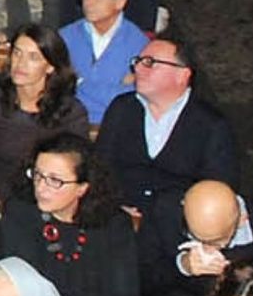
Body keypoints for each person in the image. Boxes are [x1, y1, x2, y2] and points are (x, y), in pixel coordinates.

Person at [1, 134, 139, 296]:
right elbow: (24, 291)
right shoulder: (21, 214)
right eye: (37, 175)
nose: (41, 187)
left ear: (82, 188)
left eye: (55, 180)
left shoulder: (114, 225)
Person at [96, 33, 238, 210]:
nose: (138, 69)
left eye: (149, 63)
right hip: (118, 218)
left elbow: (217, 191)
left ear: (182, 74)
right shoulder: (122, 108)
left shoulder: (210, 125)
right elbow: (100, 168)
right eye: (138, 61)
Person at [0, 25, 87, 205]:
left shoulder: (71, 112)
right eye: (17, 53)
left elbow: (75, 170)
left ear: (50, 66)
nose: (20, 63)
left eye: (33, 57)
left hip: (49, 199)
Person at [58, 0, 149, 124]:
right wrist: (116, 88)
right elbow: (56, 91)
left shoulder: (140, 44)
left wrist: (80, 83)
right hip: (68, 124)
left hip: (116, 126)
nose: (88, 2)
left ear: (120, 1)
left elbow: (134, 100)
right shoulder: (64, 37)